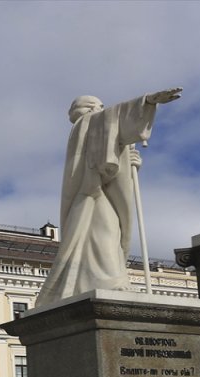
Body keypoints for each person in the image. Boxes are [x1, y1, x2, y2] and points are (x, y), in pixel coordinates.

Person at [36, 87, 183, 306]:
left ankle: (106, 281)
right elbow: (108, 135)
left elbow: (111, 161)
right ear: (87, 109)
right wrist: (147, 102)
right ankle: (110, 282)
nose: (102, 109)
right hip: (90, 194)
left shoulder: (89, 131)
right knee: (105, 233)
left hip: (96, 192)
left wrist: (130, 162)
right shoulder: (84, 125)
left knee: (110, 235)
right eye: (97, 106)